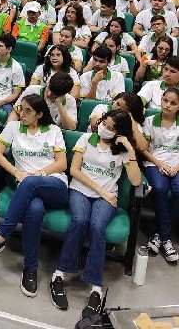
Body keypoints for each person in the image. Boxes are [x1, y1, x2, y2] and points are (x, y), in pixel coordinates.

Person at [0, 94, 68, 298]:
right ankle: (30, 269)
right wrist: (16, 172)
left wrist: (38, 174)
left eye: (27, 111)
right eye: (20, 109)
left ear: (40, 114)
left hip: (54, 185)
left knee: (30, 183)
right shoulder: (13, 127)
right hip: (26, 186)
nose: (21, 114)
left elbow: (62, 164)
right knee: (34, 209)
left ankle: (1, 236)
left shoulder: (53, 131)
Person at [50, 110, 141, 317]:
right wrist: (100, 190)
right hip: (81, 190)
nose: (103, 128)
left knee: (97, 227)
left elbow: (136, 182)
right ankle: (59, 274)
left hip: (106, 198)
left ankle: (96, 288)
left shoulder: (122, 151)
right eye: (104, 123)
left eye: (110, 128)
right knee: (80, 220)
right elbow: (74, 170)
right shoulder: (85, 138)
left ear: (119, 133)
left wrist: (131, 150)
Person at [142, 87, 179, 263]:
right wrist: (160, 163)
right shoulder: (150, 120)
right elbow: (144, 149)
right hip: (155, 163)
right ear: (161, 99)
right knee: (159, 188)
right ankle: (167, 238)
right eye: (165, 101)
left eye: (173, 103)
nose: (168, 105)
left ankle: (160, 235)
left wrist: (176, 167)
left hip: (177, 164)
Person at [11, 72, 77, 130]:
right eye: (49, 88)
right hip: (27, 128)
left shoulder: (70, 101)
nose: (49, 94)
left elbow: (71, 128)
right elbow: (16, 112)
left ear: (63, 94)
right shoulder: (32, 90)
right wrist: (9, 127)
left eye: (54, 93)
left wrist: (60, 105)